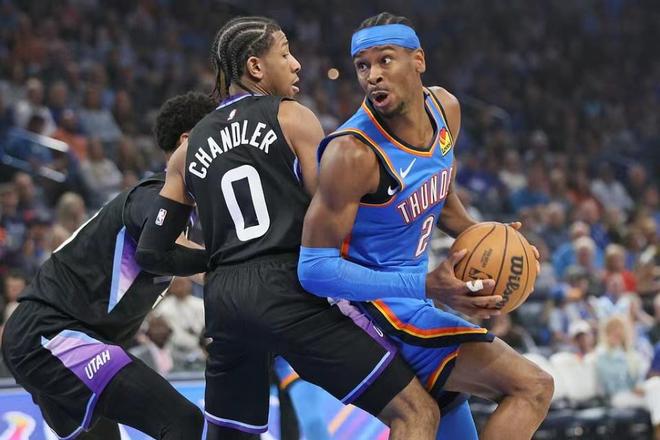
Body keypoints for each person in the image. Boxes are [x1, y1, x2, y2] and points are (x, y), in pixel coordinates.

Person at [136, 16, 440, 440]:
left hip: (225, 302)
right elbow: (332, 217)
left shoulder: (187, 150)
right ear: (256, 67)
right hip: (288, 290)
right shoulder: (292, 117)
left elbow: (151, 251)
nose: (296, 64)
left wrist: (219, 261)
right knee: (416, 412)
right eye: (285, 54)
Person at [298, 12, 554, 440]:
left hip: (413, 300)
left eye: (385, 60)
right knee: (533, 386)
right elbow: (313, 270)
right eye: (363, 66)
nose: (373, 76)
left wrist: (488, 237)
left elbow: (440, 198)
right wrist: (425, 285)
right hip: (367, 308)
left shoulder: (445, 109)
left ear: (418, 60)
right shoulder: (353, 153)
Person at [1, 92, 216, 439]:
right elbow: (162, 242)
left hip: (55, 337)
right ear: (187, 142)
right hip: (52, 333)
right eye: (218, 138)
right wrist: (227, 261)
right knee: (182, 421)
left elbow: (190, 259)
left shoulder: (179, 215)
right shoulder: (153, 194)